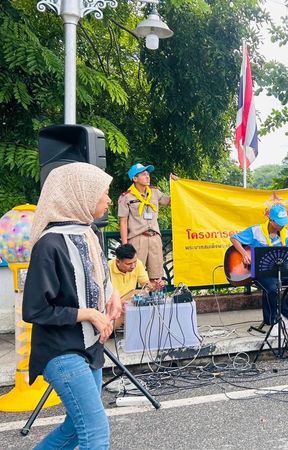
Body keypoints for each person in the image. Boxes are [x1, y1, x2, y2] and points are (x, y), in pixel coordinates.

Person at [22, 162, 122, 449]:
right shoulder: (49, 245)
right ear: (81, 194)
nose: (108, 200)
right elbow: (34, 309)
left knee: (75, 429)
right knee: (95, 432)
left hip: (89, 347)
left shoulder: (89, 233)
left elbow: (98, 279)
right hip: (60, 349)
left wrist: (112, 294)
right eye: (103, 192)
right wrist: (88, 313)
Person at [230, 203, 288, 335]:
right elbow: (234, 239)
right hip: (262, 272)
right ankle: (274, 321)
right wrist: (244, 254)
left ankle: (284, 316)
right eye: (280, 222)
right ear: (271, 220)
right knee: (273, 288)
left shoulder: (286, 233)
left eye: (284, 222)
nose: (283, 225)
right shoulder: (256, 231)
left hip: (282, 271)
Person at [118, 163, 173, 282]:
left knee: (156, 276)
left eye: (148, 174)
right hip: (137, 238)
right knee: (133, 275)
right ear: (135, 178)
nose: (147, 176)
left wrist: (175, 184)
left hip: (154, 237)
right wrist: (125, 246)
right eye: (143, 174)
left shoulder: (155, 192)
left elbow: (170, 201)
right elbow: (123, 222)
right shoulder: (126, 197)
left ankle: (155, 294)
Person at [109, 243, 164, 329]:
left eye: (134, 262)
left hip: (129, 301)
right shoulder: (107, 268)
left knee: (145, 300)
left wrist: (155, 286)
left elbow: (146, 285)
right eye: (129, 264)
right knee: (133, 295)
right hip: (113, 304)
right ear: (118, 262)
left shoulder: (138, 264)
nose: (133, 266)